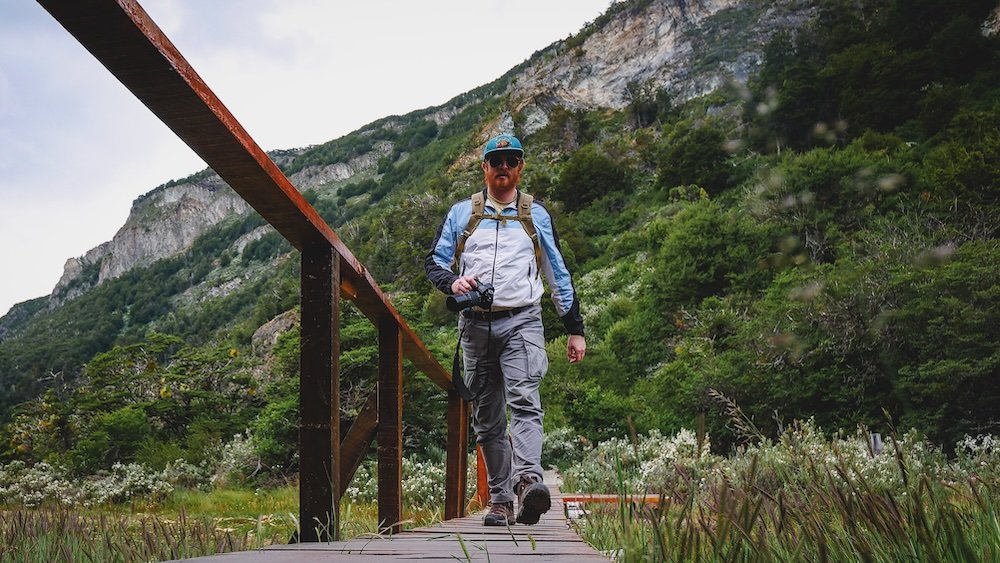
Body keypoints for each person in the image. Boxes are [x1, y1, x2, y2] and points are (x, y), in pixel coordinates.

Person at [425, 133, 586, 526]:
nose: (503, 167)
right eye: (496, 160)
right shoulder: (463, 213)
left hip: (522, 320)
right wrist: (453, 283)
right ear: (484, 167)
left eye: (511, 160)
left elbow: (556, 273)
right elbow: (435, 262)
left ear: (520, 167)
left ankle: (528, 481)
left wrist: (574, 328)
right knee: (488, 416)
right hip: (475, 325)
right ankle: (500, 500)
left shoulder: (536, 215)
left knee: (525, 400)